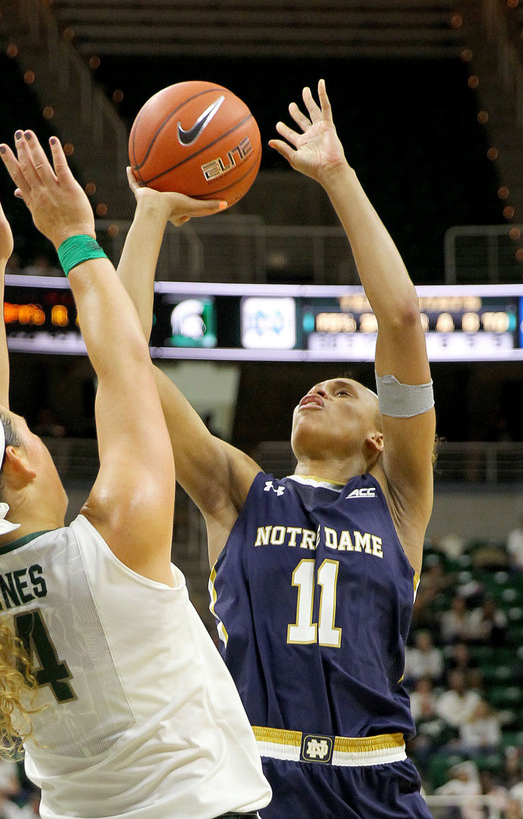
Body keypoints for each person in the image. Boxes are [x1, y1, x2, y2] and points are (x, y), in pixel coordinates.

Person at [0, 142, 270, 819]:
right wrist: (74, 237)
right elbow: (125, 361)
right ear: (18, 463)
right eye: (25, 429)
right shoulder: (110, 546)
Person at [117, 79, 434, 817]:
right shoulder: (239, 490)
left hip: (376, 780)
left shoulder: (399, 498)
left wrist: (337, 175)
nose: (320, 390)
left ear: (379, 436)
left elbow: (404, 317)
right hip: (255, 781)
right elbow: (126, 359)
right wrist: (152, 212)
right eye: (316, 387)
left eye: (345, 390)